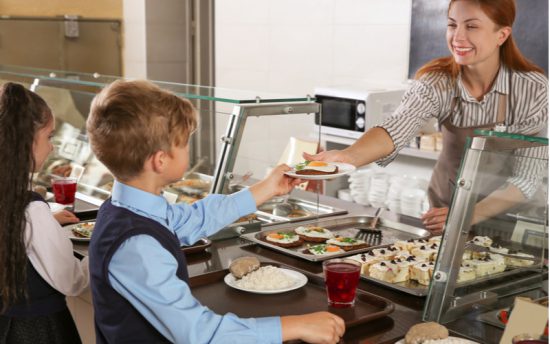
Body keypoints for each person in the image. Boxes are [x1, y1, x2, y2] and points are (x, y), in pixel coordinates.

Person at [86, 79, 345, 344]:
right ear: (160, 160)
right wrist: (295, 325)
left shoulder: (127, 207)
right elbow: (199, 333)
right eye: (184, 143)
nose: (188, 148)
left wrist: (267, 188)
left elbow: (196, 218)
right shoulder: (137, 245)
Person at [306, 0, 547, 233]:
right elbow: (395, 129)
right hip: (445, 212)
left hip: (508, 221)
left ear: (501, 35)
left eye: (472, 26)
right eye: (452, 25)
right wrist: (347, 157)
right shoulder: (438, 81)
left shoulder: (532, 89)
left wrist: (466, 215)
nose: (458, 37)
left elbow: (525, 179)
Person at [0, 83, 89, 343]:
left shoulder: (24, 210)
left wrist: (46, 222)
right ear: (26, 140)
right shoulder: (32, 211)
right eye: (49, 136)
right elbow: (72, 281)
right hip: (36, 330)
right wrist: (100, 247)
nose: (51, 147)